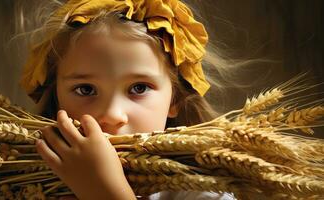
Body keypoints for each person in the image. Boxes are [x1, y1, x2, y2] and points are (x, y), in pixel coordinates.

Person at [19, 0, 237, 199]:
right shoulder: (25, 185)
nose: (112, 114)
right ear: (56, 98)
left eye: (139, 88)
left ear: (175, 100)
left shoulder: (202, 192)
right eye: (85, 89)